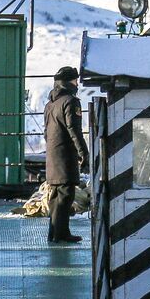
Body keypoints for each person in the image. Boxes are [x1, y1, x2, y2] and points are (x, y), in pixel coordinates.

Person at [43, 66, 88, 244]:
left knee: (55, 196)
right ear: (71, 81)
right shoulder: (71, 101)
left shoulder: (50, 104)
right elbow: (74, 130)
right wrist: (83, 152)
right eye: (76, 80)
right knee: (65, 194)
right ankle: (60, 235)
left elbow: (46, 132)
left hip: (52, 154)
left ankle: (55, 233)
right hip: (66, 155)